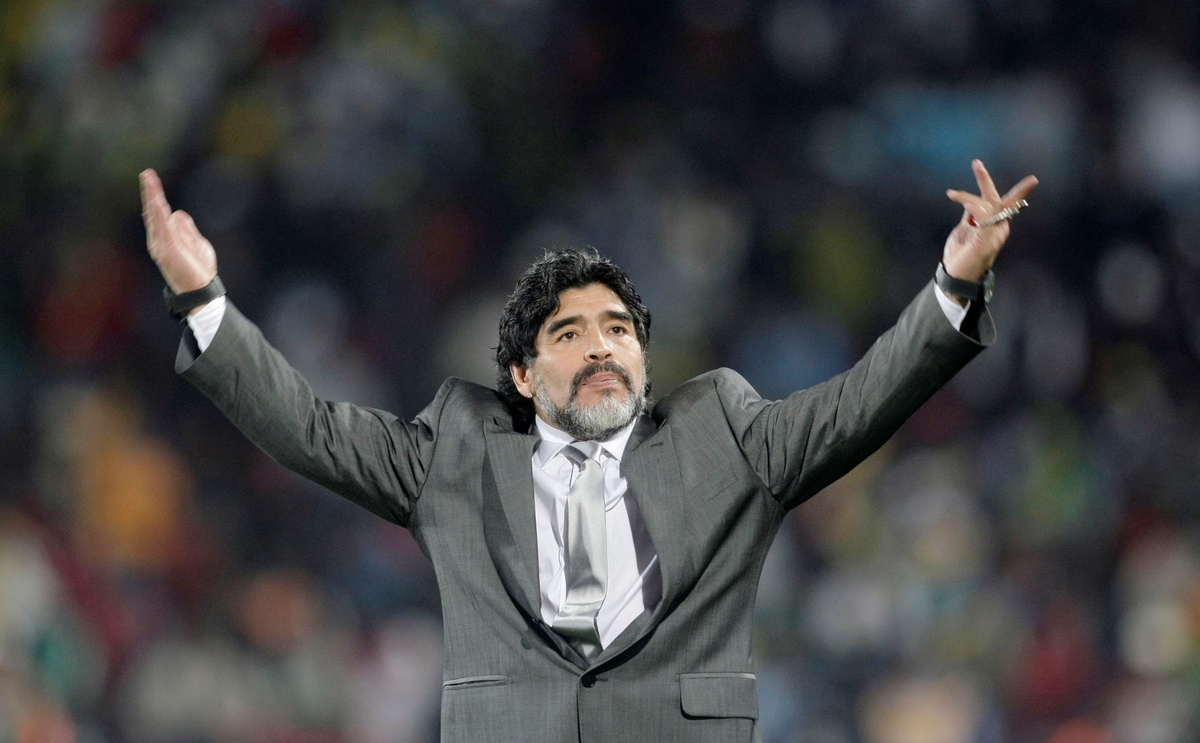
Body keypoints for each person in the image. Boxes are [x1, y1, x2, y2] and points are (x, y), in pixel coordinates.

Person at [139, 160, 1037, 743]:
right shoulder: (455, 448)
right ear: (523, 375)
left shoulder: (724, 432)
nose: (602, 347)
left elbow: (861, 403)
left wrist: (956, 282)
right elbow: (307, 427)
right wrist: (203, 299)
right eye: (569, 333)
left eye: (619, 329)